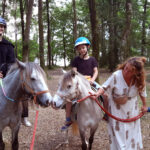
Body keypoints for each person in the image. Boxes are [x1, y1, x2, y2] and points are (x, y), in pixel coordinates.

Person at [94, 56, 147, 150]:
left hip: (132, 111)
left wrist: (144, 105)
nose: (126, 71)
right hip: (116, 111)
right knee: (118, 137)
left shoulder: (138, 79)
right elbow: (104, 87)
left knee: (132, 136)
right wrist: (97, 94)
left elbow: (142, 92)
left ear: (136, 73)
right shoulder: (116, 75)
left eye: (130, 71)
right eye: (126, 68)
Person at [61, 37, 101, 131]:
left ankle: (105, 114)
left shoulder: (92, 60)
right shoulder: (76, 60)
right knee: (69, 100)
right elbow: (74, 72)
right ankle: (68, 119)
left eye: (83, 47)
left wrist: (92, 79)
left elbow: (95, 71)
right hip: (79, 82)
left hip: (91, 81)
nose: (81, 50)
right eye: (79, 48)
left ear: (87, 47)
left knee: (105, 94)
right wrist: (79, 79)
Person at [0, 16, 31, 127]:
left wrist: (5, 74)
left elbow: (12, 64)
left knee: (23, 88)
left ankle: (24, 116)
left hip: (7, 75)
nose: (1, 28)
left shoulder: (8, 45)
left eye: (2, 26)